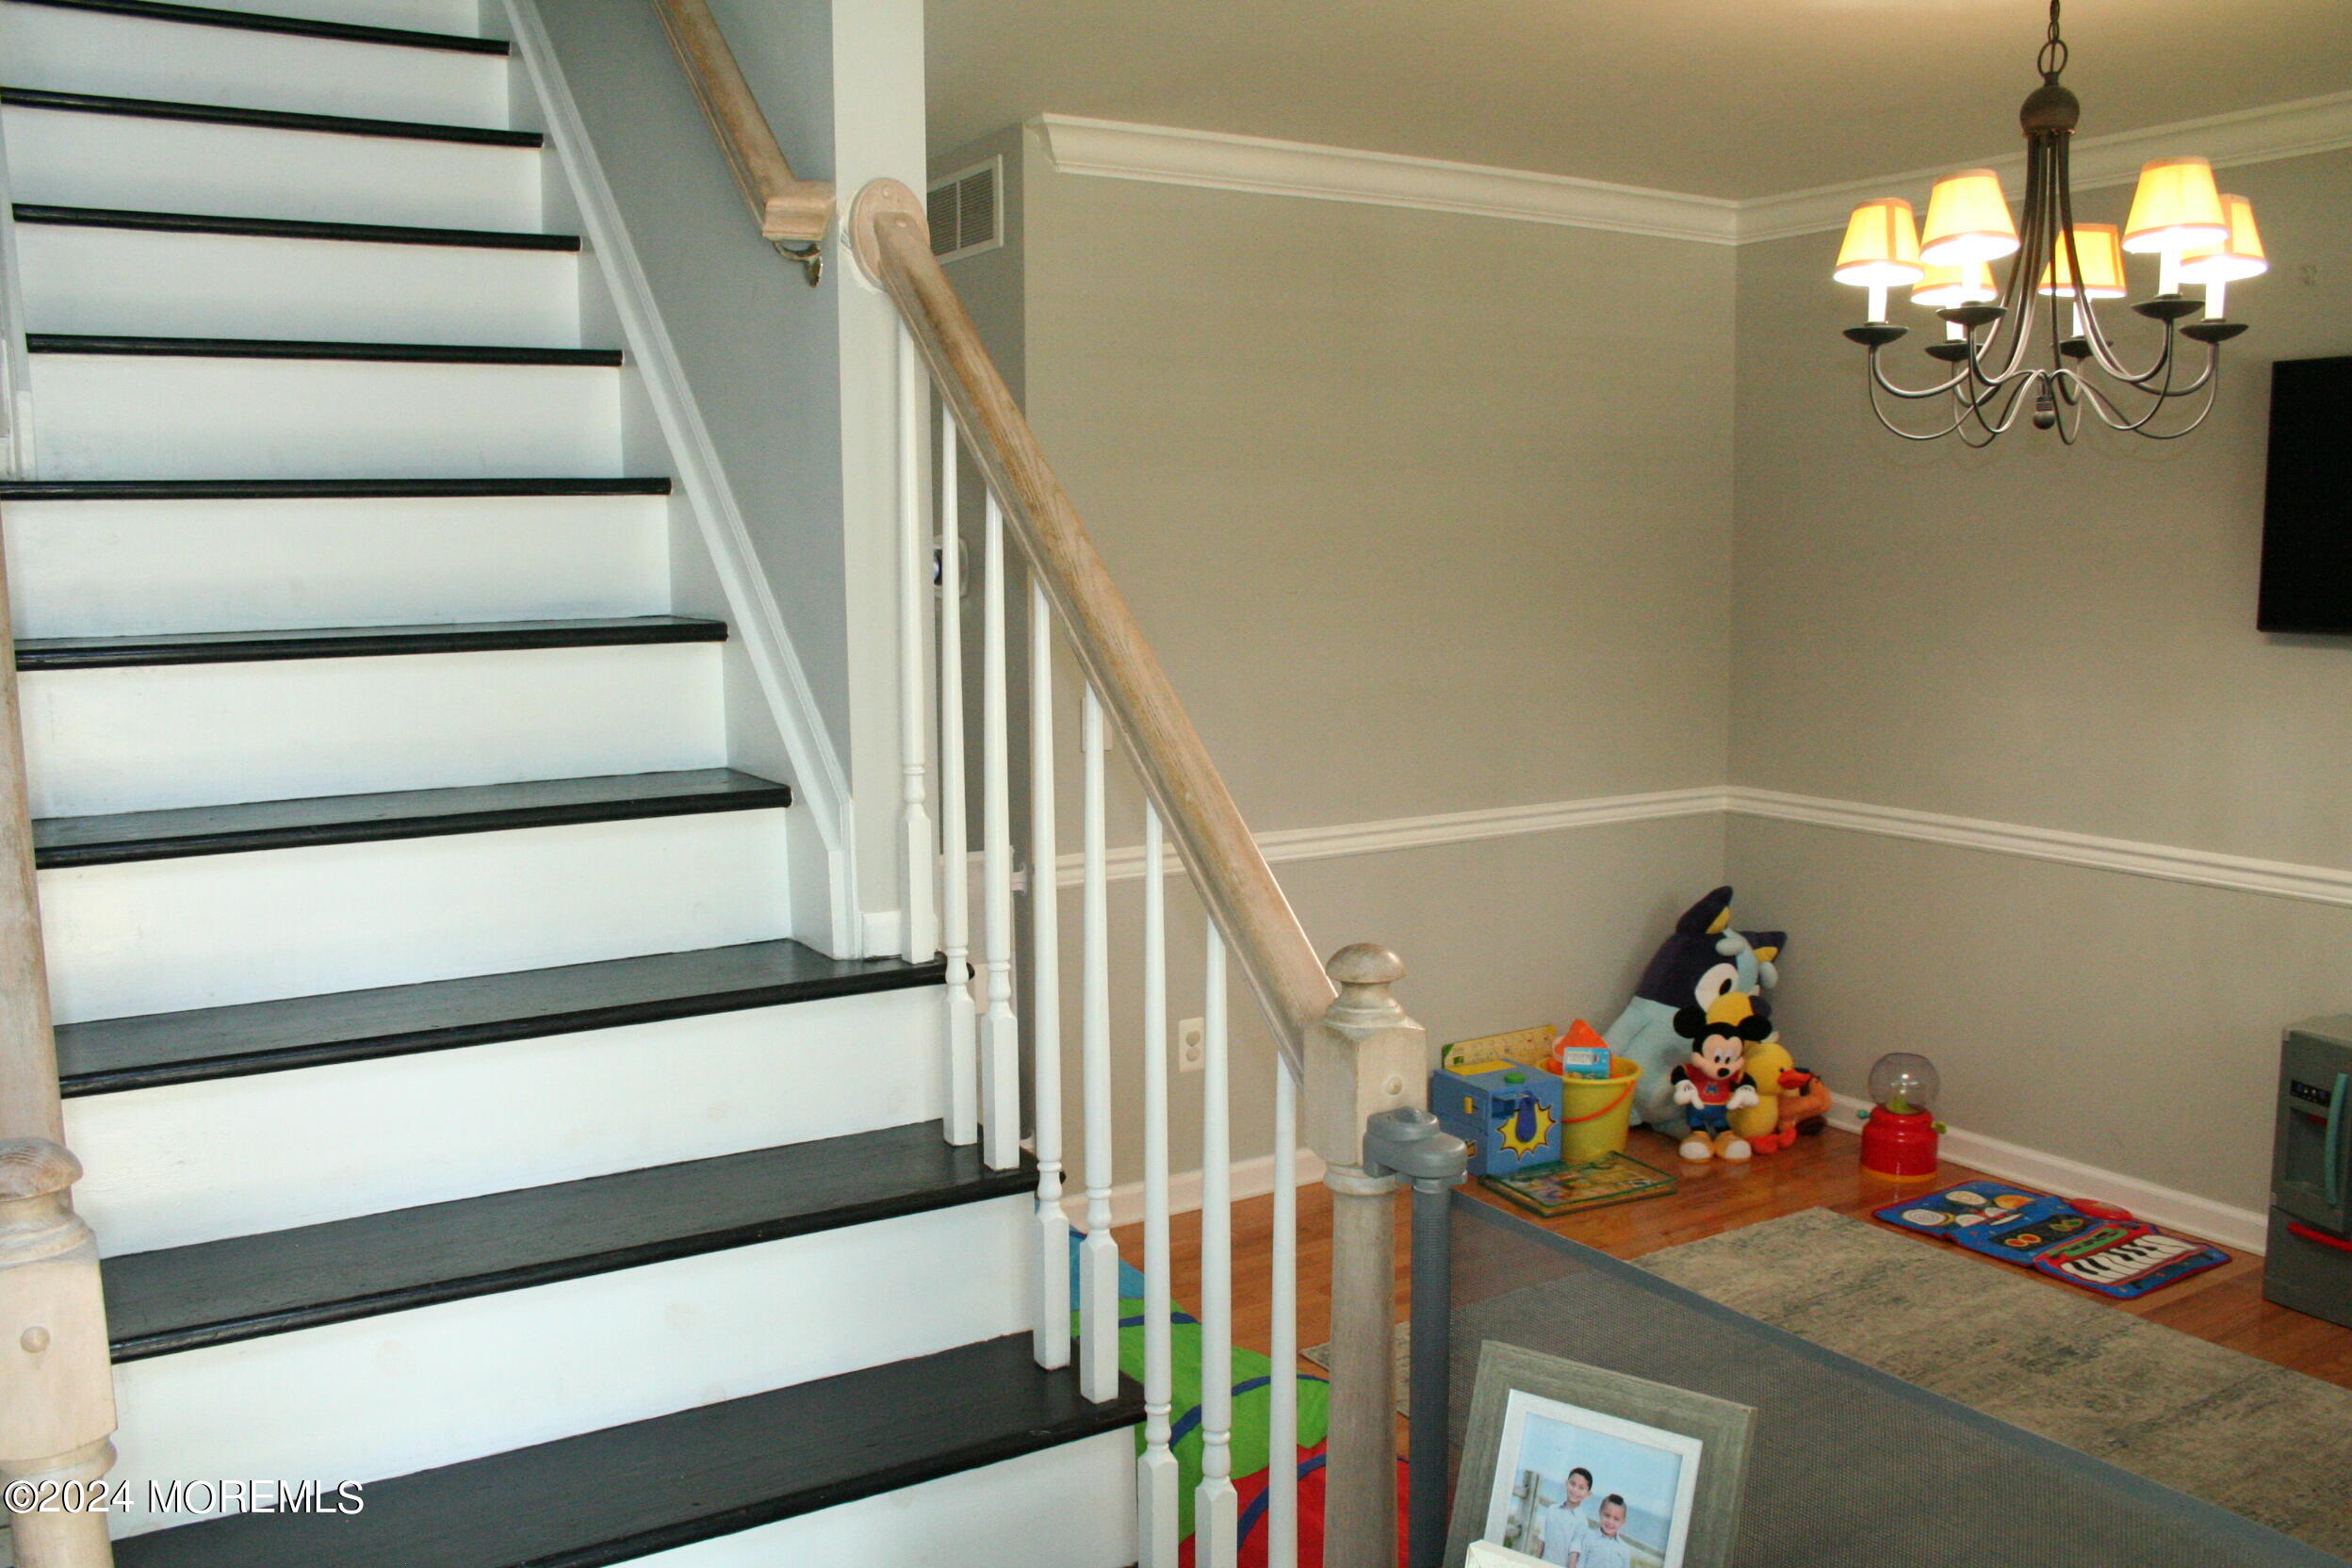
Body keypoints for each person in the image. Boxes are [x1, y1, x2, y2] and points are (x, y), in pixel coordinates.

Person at [1535, 1467, 1592, 1565]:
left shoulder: (1581, 1521)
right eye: (1572, 1484)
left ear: (1588, 1494)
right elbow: (1542, 1540)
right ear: (1566, 1483)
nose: (1575, 1490)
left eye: (1581, 1488)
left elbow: (1574, 1552)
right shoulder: (1552, 1509)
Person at [1576, 1495, 1636, 1568]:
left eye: (1616, 1519)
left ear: (1623, 1522)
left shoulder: (1625, 1549)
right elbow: (1580, 1564)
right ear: (1600, 1513)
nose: (1610, 1522)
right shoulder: (1588, 1537)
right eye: (1607, 1516)